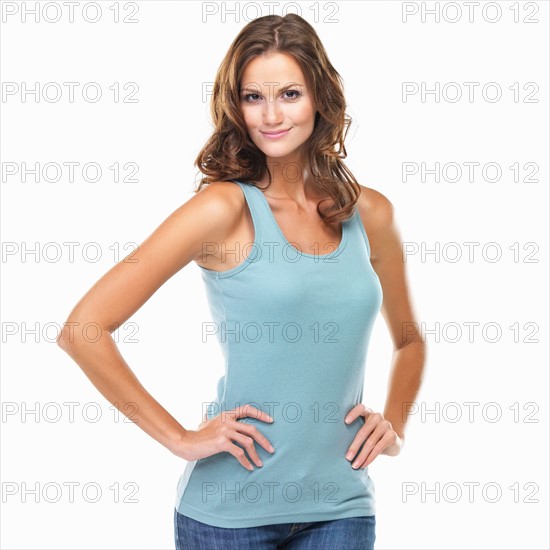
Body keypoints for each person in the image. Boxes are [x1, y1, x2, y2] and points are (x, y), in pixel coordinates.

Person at [57, 13, 425, 550]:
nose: (272, 115)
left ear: (320, 97)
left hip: (342, 506)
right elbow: (83, 329)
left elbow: (410, 340)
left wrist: (394, 425)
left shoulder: (369, 213)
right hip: (228, 515)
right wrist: (180, 438)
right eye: (254, 97)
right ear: (237, 106)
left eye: (290, 94)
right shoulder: (222, 209)